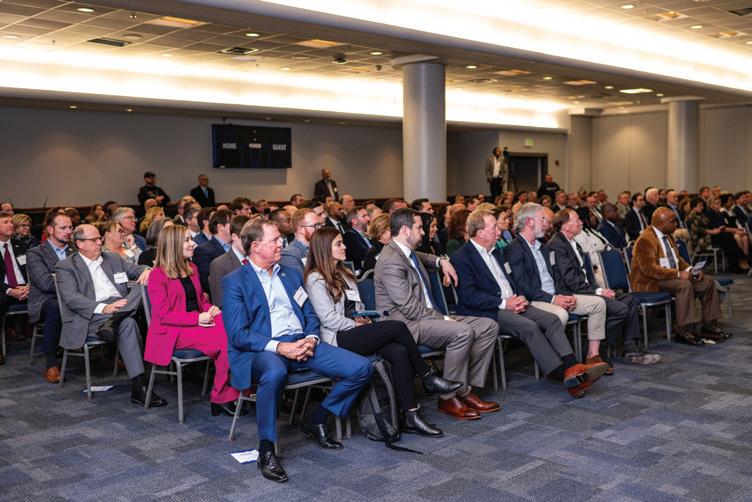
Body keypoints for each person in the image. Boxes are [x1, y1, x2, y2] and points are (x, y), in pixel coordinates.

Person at [222, 219, 372, 483]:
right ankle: (266, 449)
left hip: (302, 342)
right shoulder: (235, 281)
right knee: (274, 373)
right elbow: (239, 334)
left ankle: (317, 419)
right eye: (275, 240)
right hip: (264, 348)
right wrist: (282, 347)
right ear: (256, 247)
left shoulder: (290, 274)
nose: (281, 243)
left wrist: (311, 339)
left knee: (361, 368)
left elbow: (310, 314)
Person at [305, 227, 461, 436]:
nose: (344, 247)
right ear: (324, 249)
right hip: (338, 337)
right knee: (397, 326)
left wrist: (363, 317)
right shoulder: (316, 279)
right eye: (339, 244)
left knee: (399, 352)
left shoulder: (345, 274)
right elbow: (328, 320)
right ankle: (427, 376)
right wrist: (356, 325)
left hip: (355, 330)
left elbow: (357, 306)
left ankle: (411, 415)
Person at [452, 209, 609, 397]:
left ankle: (572, 367)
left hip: (513, 303)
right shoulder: (462, 257)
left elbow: (511, 281)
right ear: (480, 232)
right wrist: (504, 303)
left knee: (551, 320)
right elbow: (469, 296)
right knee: (529, 326)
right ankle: (564, 374)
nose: (499, 231)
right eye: (494, 227)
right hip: (490, 310)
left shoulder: (496, 253)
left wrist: (518, 297)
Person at [374, 208, 500, 421]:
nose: (423, 232)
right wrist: (444, 319)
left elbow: (422, 256)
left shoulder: (407, 252)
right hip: (406, 325)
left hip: (426, 317)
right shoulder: (390, 261)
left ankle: (463, 389)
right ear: (405, 230)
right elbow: (410, 309)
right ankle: (448, 397)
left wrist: (441, 261)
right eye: (419, 228)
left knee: (488, 326)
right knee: (462, 331)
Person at [55, 224, 166, 406]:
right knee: (128, 322)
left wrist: (146, 271)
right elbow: (71, 298)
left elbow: (136, 270)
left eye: (99, 238)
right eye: (94, 240)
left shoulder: (112, 258)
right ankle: (140, 386)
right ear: (80, 244)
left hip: (120, 307)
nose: (100, 242)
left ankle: (115, 321)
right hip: (91, 315)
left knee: (145, 284)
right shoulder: (66, 266)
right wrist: (103, 308)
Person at [144, 225, 240, 416]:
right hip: (171, 331)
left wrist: (211, 309)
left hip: (196, 323)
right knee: (226, 340)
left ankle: (236, 390)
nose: (193, 244)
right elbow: (163, 315)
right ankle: (222, 395)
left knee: (235, 328)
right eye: (187, 240)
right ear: (173, 245)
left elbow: (201, 301)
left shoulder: (192, 268)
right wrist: (198, 318)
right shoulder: (157, 275)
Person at [548, 209, 661, 367]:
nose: (581, 222)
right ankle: (592, 349)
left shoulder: (573, 243)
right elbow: (571, 281)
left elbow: (586, 276)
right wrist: (598, 291)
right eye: (577, 220)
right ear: (565, 226)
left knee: (629, 300)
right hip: (572, 294)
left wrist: (599, 289)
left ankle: (631, 349)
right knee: (620, 309)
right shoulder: (557, 245)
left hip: (584, 290)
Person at [503, 203, 611, 365]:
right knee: (560, 314)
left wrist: (564, 295)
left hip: (556, 294)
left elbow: (557, 278)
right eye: (542, 219)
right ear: (530, 222)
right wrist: (554, 299)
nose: (546, 223)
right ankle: (559, 362)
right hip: (536, 299)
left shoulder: (543, 247)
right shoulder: (514, 249)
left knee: (598, 304)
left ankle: (592, 356)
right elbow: (524, 287)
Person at [630, 208, 726, 345]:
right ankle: (684, 331)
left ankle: (709, 326)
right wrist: (678, 274)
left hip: (669, 277)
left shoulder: (668, 236)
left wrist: (690, 269)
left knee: (707, 281)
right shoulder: (645, 240)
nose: (676, 224)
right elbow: (649, 270)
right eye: (672, 221)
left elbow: (677, 259)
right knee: (684, 285)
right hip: (651, 282)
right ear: (661, 224)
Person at [26, 211, 74, 380]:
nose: (68, 231)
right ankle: (51, 363)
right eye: (63, 228)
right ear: (50, 230)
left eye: (70, 227)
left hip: (73, 297)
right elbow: (46, 284)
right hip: (44, 301)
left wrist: (58, 277)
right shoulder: (35, 253)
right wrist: (73, 281)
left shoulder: (75, 251)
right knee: (56, 306)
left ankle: (111, 353)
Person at [0, 211, 30, 348]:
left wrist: (29, 286)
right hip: (4, 289)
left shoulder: (21, 245)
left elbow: (32, 269)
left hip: (25, 287)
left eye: (11, 222)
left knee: (52, 298)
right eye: (5, 222)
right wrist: (10, 291)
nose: (11, 225)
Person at [209, 215, 250, 307]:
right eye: (247, 239)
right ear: (234, 237)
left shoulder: (256, 259)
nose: (251, 243)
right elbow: (220, 302)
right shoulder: (219, 264)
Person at [193, 208, 233, 295]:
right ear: (220, 227)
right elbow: (207, 283)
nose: (235, 226)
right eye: (232, 223)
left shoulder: (236, 245)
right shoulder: (203, 251)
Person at [279, 208, 319, 278]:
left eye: (319, 225)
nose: (319, 229)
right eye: (315, 226)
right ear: (301, 229)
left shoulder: (320, 247)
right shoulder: (289, 254)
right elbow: (301, 281)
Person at [342, 206, 371, 272]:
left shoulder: (365, 233)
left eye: (367, 215)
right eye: (364, 216)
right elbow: (365, 255)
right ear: (354, 221)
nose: (368, 218)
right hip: (362, 273)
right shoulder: (349, 235)